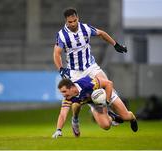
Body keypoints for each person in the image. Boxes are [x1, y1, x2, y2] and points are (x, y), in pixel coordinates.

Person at [53, 7, 128, 137]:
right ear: (66, 21)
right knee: (75, 102)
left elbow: (102, 34)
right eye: (70, 22)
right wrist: (60, 69)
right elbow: (57, 53)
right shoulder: (62, 35)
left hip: (91, 67)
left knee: (106, 85)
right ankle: (75, 119)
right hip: (75, 72)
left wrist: (116, 44)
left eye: (74, 21)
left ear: (78, 18)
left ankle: (110, 112)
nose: (73, 24)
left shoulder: (85, 28)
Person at [52, 76, 138, 138]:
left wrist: (107, 101)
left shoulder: (87, 84)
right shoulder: (68, 98)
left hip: (107, 94)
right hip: (94, 102)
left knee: (126, 116)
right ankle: (112, 117)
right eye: (61, 93)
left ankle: (132, 117)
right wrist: (58, 130)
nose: (63, 95)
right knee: (106, 126)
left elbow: (109, 83)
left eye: (64, 91)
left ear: (71, 88)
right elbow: (63, 114)